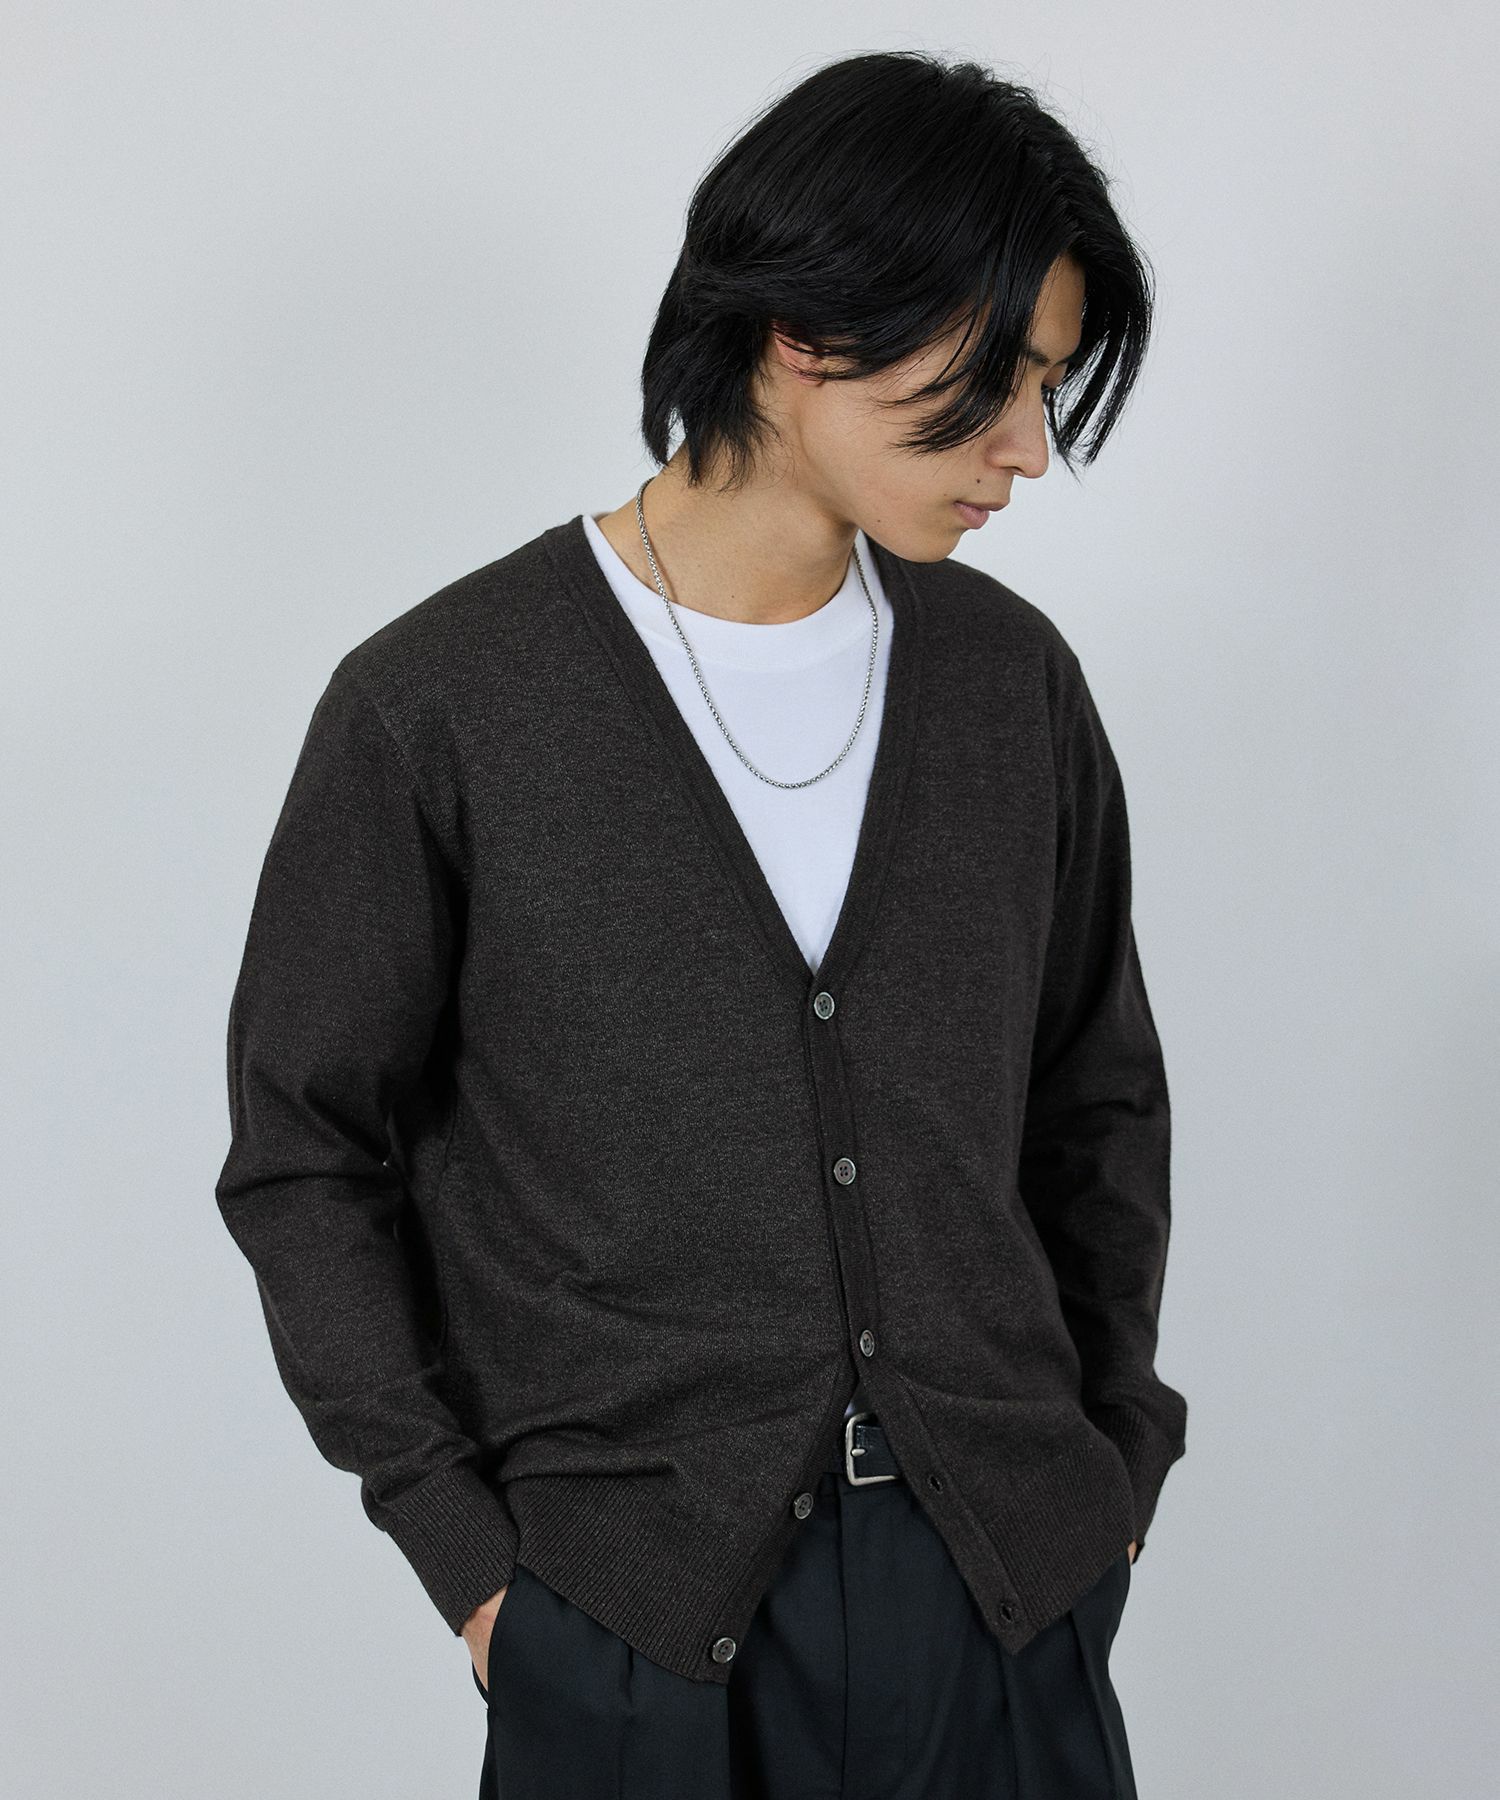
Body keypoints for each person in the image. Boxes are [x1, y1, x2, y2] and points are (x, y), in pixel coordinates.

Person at [215, 47, 1187, 1799]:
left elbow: (1094, 1104)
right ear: (804, 331)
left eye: (1047, 388)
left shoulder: (1009, 686)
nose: (1027, 451)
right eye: (992, 382)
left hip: (1007, 1603)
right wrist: (474, 1567)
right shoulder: (442, 705)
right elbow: (305, 1157)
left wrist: (1112, 1467)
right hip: (634, 1630)